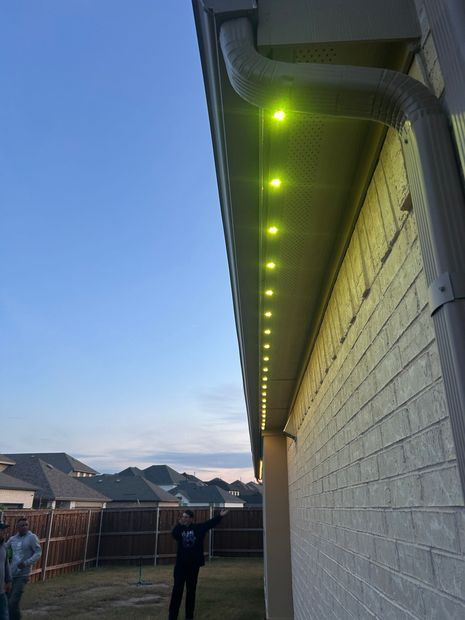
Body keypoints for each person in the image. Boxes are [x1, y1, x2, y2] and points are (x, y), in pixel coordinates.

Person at [168, 508, 228, 620]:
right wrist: (179, 524)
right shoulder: (179, 529)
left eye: (186, 517)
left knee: (191, 592)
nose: (184, 519)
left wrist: (220, 515)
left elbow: (210, 524)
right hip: (181, 566)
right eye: (183, 517)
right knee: (177, 591)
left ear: (191, 519)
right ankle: (172, 616)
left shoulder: (198, 528)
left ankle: (189, 616)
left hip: (193, 566)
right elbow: (174, 534)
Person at [5, 517, 42, 620]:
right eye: (22, 525)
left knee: (13, 602)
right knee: (7, 601)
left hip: (23, 575)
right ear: (17, 527)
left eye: (26, 525)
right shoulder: (12, 539)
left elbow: (38, 553)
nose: (25, 527)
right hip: (11, 574)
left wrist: (26, 563)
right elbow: (4, 549)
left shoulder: (32, 537)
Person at [0, 522, 12, 620]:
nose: (4, 532)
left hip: (1, 590)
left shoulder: (4, 545)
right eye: (2, 530)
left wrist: (8, 580)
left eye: (4, 530)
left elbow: (6, 563)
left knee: (4, 616)